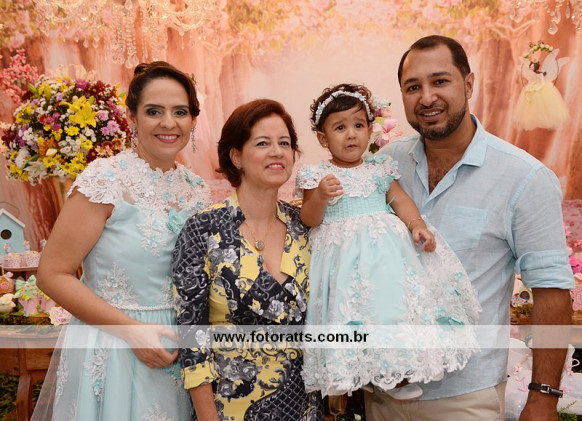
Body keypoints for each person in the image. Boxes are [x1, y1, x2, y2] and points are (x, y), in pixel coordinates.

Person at [366, 35, 574, 421]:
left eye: (440, 81)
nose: (427, 97)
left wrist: (544, 398)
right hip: (382, 395)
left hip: (466, 398)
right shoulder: (385, 166)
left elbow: (552, 292)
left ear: (468, 84)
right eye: (413, 87)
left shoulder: (523, 177)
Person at [32, 61, 210, 421]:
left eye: (180, 112)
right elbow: (52, 274)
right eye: (153, 111)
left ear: (193, 120)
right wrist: (131, 332)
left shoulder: (198, 190)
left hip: (180, 356)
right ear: (131, 118)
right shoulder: (106, 179)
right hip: (113, 348)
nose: (168, 123)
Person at [295, 83, 481, 401]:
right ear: (323, 139)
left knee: (390, 308)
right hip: (343, 260)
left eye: (358, 125)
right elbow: (309, 219)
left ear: (370, 131)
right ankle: (355, 368)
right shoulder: (317, 175)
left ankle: (394, 370)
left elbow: (400, 200)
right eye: (340, 128)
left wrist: (417, 225)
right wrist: (321, 197)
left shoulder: (380, 169)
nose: (351, 135)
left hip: (384, 257)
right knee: (351, 312)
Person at [172, 99, 322, 420]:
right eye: (263, 143)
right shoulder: (203, 229)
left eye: (285, 143)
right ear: (236, 156)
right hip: (229, 408)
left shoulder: (306, 226)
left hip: (304, 407)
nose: (277, 152)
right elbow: (192, 338)